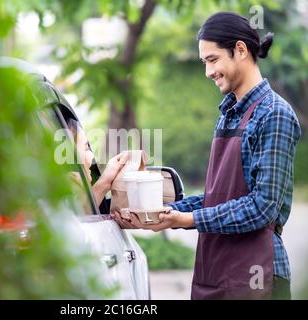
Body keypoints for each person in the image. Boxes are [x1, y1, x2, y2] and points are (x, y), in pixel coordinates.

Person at [112, 12, 301, 300]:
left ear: (240, 50)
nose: (208, 72)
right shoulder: (227, 114)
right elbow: (219, 196)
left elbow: (263, 208)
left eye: (212, 60)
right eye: (204, 62)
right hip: (215, 268)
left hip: (257, 274)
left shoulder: (274, 114)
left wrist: (186, 220)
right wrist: (156, 215)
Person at [66, 117, 127, 207]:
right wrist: (105, 182)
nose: (92, 156)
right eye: (86, 148)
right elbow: (78, 215)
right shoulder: (69, 183)